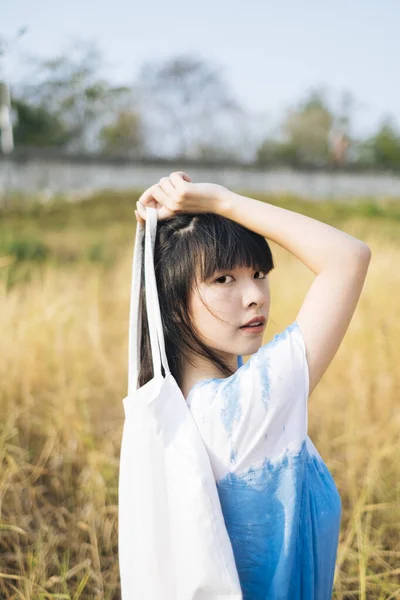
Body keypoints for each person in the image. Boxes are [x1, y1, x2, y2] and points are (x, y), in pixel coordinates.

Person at [134, 171, 371, 599]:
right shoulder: (240, 409)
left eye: (259, 272)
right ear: (171, 302)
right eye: (223, 279)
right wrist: (224, 201)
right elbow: (348, 257)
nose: (255, 296)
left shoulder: (168, 411)